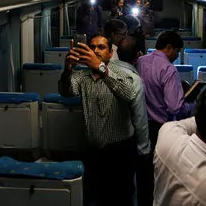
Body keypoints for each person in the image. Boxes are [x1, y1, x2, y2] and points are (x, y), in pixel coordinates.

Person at [58, 35, 137, 206]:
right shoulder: (82, 77)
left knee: (120, 198)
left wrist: (101, 69)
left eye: (101, 47)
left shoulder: (123, 74)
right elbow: (66, 91)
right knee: (94, 197)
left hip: (120, 151)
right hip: (93, 151)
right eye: (92, 47)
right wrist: (67, 70)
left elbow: (128, 94)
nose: (95, 50)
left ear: (110, 53)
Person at [137, 31, 194, 151]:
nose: (177, 56)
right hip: (160, 126)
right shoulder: (169, 69)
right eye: (177, 51)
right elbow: (174, 108)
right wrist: (191, 105)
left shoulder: (141, 61)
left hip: (141, 123)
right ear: (168, 47)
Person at [113, 37, 152, 206]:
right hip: (125, 144)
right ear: (137, 56)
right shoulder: (134, 80)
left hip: (101, 143)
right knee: (126, 188)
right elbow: (140, 118)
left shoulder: (103, 72)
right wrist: (144, 149)